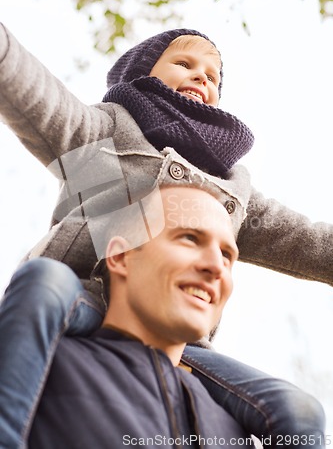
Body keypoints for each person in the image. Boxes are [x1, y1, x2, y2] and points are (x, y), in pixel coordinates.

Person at [0, 24, 327, 447]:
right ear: (142, 75)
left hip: (181, 340)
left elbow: (305, 241)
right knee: (42, 282)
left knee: (299, 411)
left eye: (213, 76)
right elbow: (33, 91)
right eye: (185, 63)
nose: (202, 77)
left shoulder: (230, 187)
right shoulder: (103, 135)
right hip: (82, 299)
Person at [23, 185, 316, 447]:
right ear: (120, 256)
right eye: (189, 238)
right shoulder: (39, 367)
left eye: (227, 255)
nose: (217, 266)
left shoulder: (236, 431)